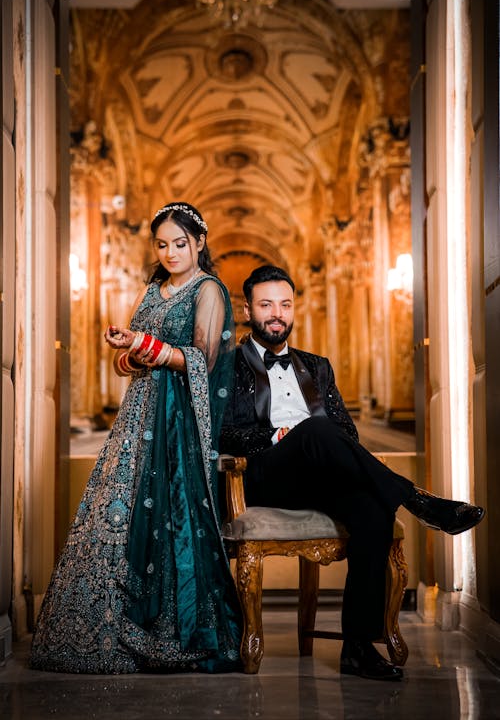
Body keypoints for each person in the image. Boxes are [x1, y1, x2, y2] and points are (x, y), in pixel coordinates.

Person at [219, 264, 485, 682]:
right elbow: (222, 433)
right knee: (315, 429)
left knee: (373, 511)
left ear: (294, 310)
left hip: (320, 475)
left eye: (285, 304)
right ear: (248, 308)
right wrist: (275, 436)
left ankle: (358, 648)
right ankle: (418, 500)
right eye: (266, 304)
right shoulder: (227, 366)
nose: (276, 313)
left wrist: (310, 434)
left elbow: (347, 433)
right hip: (264, 477)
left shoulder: (317, 366)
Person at [30, 202, 242, 674]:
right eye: (162, 245)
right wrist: (126, 348)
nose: (170, 253)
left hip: (180, 420)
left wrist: (144, 346)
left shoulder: (209, 289)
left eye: (180, 244)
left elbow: (203, 360)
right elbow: (131, 363)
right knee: (118, 514)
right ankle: (114, 624)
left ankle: (181, 628)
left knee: (176, 513)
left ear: (200, 243)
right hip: (138, 417)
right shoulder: (152, 290)